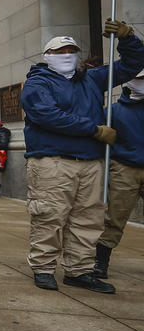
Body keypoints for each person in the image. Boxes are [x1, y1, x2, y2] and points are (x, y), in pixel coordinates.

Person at [22, 22, 144, 293]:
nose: (67, 54)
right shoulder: (37, 83)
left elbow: (132, 65)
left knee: (88, 218)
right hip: (52, 161)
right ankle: (43, 267)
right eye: (60, 50)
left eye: (72, 50)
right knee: (49, 216)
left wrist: (128, 38)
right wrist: (93, 129)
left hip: (91, 161)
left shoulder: (91, 78)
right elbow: (47, 115)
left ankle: (79, 270)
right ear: (48, 55)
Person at [95, 68, 144, 279]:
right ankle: (101, 261)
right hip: (125, 167)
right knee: (116, 216)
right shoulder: (113, 111)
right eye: (139, 78)